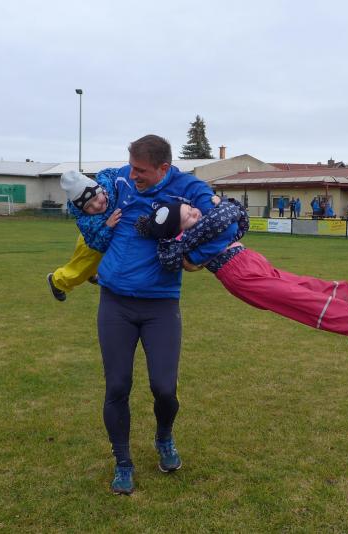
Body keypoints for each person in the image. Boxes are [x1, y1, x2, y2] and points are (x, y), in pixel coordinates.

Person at [94, 135, 222, 495]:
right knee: (117, 386)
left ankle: (164, 437)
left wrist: (195, 254)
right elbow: (91, 192)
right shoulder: (122, 177)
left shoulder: (187, 187)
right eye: (131, 167)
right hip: (115, 302)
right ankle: (123, 462)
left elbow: (218, 216)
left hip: (161, 304)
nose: (133, 175)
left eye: (141, 170)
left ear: (164, 168)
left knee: (164, 388)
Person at [135, 199, 348, 346]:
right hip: (238, 274)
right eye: (189, 216)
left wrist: (215, 213)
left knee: (310, 286)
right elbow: (225, 216)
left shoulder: (200, 228)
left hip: (249, 259)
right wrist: (214, 214)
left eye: (192, 208)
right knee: (301, 299)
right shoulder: (182, 241)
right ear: (178, 230)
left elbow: (236, 215)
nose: (196, 213)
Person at [46, 171, 121, 301]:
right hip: (91, 241)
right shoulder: (86, 221)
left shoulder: (106, 183)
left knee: (98, 261)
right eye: (88, 206)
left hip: (96, 235)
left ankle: (91, 274)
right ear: (83, 210)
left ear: (101, 189)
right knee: (79, 268)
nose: (96, 205)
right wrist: (108, 226)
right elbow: (98, 244)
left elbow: (112, 173)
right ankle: (57, 281)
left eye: (96, 198)